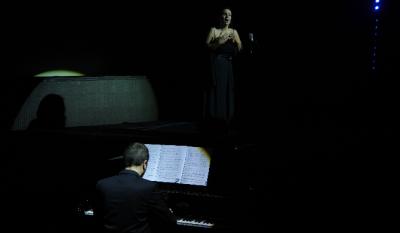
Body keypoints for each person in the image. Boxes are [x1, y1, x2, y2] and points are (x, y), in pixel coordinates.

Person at [94, 142, 177, 233]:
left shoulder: (102, 184)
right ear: (145, 163)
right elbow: (170, 222)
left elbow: (98, 217)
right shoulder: (149, 187)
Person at [205, 7, 242, 127]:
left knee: (227, 90)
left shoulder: (233, 32)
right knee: (217, 90)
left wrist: (237, 42)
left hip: (228, 65)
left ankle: (227, 119)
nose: (227, 17)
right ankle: (215, 119)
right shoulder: (214, 30)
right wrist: (219, 42)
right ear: (220, 16)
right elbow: (206, 47)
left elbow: (240, 48)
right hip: (217, 64)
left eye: (230, 15)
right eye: (225, 14)